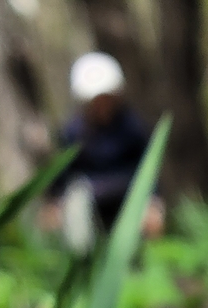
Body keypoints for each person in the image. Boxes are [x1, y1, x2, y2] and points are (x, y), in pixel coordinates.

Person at [40, 52, 164, 240]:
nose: (102, 105)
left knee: (150, 216)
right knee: (74, 210)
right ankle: (82, 261)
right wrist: (55, 203)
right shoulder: (74, 132)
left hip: (127, 191)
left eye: (106, 98)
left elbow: (146, 166)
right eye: (96, 100)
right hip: (89, 197)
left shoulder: (131, 126)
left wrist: (153, 200)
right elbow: (64, 174)